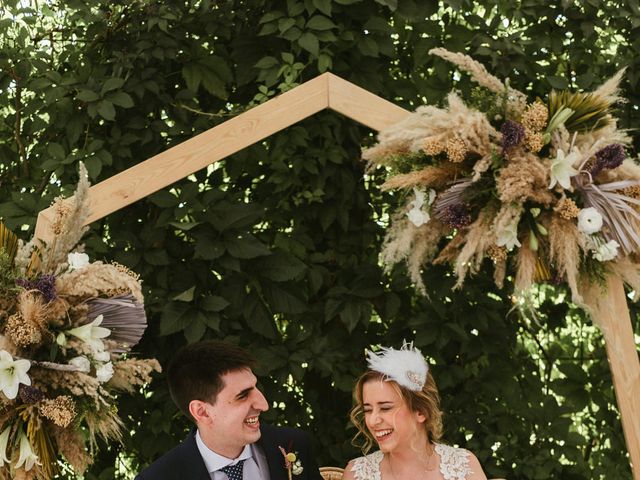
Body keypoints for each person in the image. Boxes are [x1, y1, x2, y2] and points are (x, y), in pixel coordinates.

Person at [136, 340, 324, 480]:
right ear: (202, 412)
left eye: (256, 387)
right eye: (243, 395)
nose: (263, 404)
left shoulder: (295, 445)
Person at [342, 342, 488, 480]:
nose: (373, 421)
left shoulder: (464, 466)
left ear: (421, 411)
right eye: (368, 410)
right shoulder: (356, 474)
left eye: (385, 408)